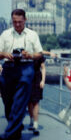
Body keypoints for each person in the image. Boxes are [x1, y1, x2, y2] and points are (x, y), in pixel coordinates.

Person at [0, 9, 43, 140]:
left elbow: (39, 54)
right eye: (14, 22)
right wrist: (4, 54)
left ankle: (9, 134)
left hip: (26, 67)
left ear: (25, 20)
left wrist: (30, 55)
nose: (17, 25)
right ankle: (16, 128)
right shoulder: (5, 34)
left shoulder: (32, 34)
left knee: (19, 101)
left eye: (19, 22)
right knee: (8, 102)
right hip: (8, 67)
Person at [27, 51, 56, 135]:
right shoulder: (25, 52)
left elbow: (43, 68)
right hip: (27, 77)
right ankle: (31, 119)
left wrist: (43, 80)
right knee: (29, 102)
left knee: (35, 101)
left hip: (36, 78)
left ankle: (35, 124)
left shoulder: (39, 55)